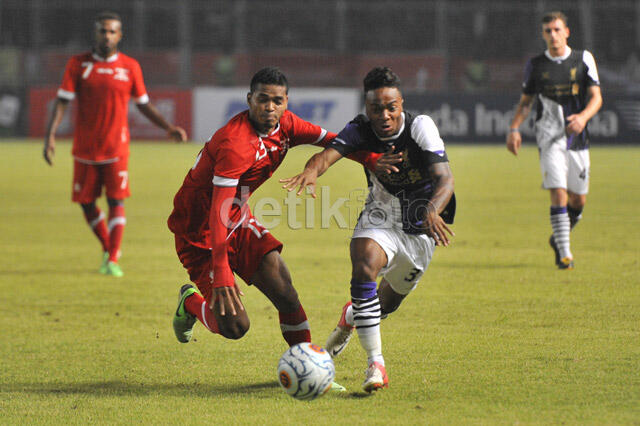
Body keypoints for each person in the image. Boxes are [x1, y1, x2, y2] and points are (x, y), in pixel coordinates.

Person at [167, 68, 378, 390]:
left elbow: (337, 142)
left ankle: (308, 367)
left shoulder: (288, 125)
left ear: (286, 102)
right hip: (199, 235)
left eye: (277, 101)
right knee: (235, 326)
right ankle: (190, 303)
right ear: (249, 100)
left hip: (236, 221)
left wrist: (375, 160)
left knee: (286, 292)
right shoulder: (235, 143)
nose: (269, 107)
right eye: (262, 100)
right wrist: (222, 273)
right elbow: (217, 210)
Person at [281, 67, 456, 392]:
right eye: (377, 108)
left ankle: (350, 318)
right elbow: (328, 155)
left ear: (401, 103)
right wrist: (312, 170)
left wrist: (432, 209)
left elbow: (445, 179)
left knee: (385, 305)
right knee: (363, 265)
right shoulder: (361, 129)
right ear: (367, 107)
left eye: (392, 107)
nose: (385, 115)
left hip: (421, 227)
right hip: (380, 217)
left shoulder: (420, 127)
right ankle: (376, 364)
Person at [43, 11, 187, 277]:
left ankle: (112, 258)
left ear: (119, 35)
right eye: (102, 31)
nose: (106, 35)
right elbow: (63, 101)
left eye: (111, 31)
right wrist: (50, 135)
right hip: (85, 149)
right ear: (95, 33)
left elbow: (143, 104)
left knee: (116, 200)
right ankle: (110, 249)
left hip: (116, 148)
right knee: (86, 203)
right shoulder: (78, 64)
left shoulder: (130, 67)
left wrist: (168, 127)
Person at [506, 11, 602, 270]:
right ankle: (564, 253)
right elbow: (526, 103)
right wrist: (514, 128)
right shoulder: (536, 65)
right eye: (548, 31)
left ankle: (558, 237)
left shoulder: (583, 59)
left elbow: (596, 97)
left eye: (557, 29)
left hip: (577, 137)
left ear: (567, 31)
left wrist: (582, 117)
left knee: (578, 201)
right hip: (548, 137)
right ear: (543, 34)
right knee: (558, 192)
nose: (553, 35)